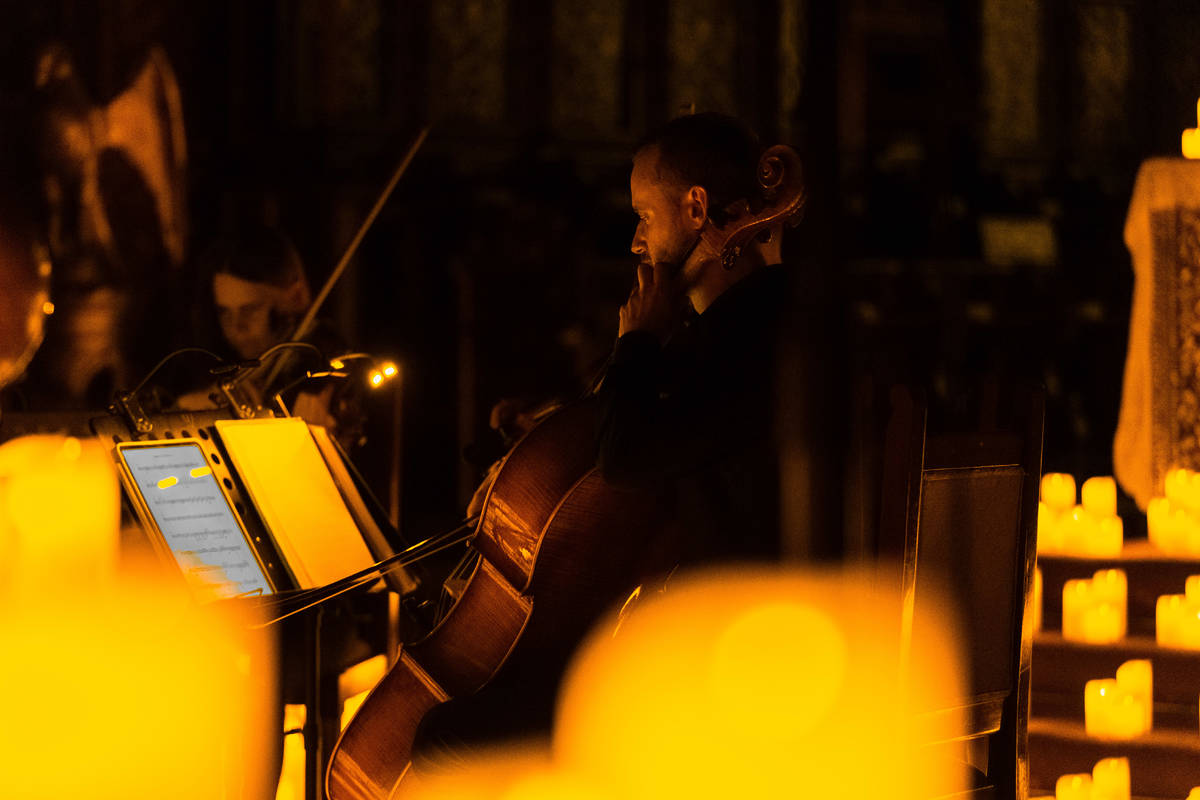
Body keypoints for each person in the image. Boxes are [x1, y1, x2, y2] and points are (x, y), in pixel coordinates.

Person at [596, 111, 792, 564]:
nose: (636, 241)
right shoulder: (726, 328)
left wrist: (637, 342)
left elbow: (623, 458)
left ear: (696, 209)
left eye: (644, 216)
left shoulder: (751, 341)